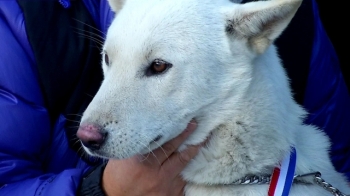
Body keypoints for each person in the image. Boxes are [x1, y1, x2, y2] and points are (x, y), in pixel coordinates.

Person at [0, 0, 349, 196]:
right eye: (109, 58)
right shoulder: (26, 14)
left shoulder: (283, 22)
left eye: (157, 67)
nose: (89, 127)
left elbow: (342, 151)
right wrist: (100, 190)